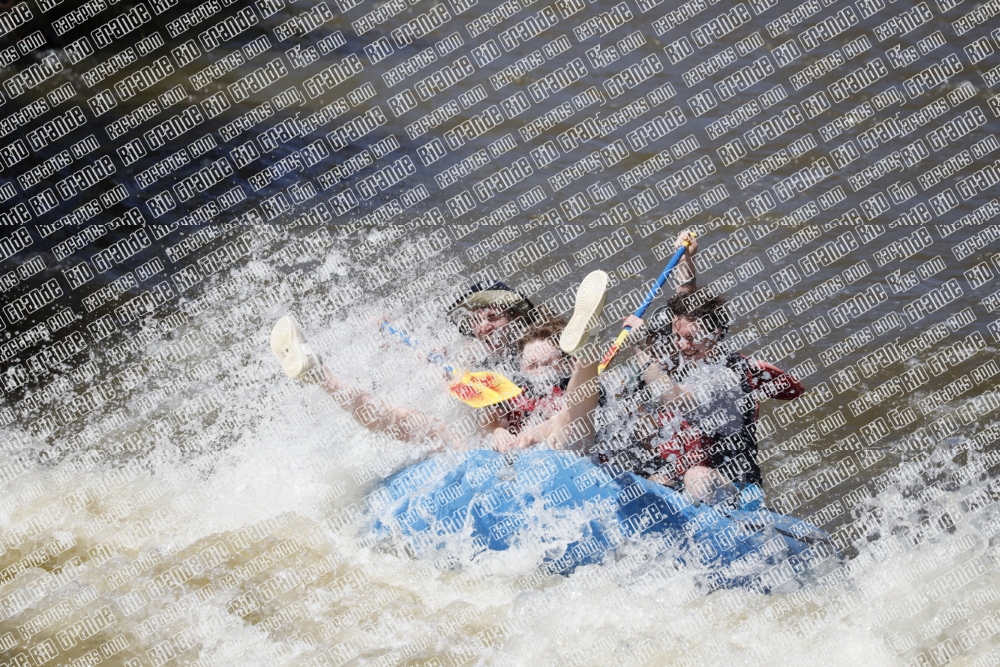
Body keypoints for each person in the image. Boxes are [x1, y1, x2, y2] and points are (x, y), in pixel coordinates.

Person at [269, 271, 608, 455]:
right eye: (477, 320)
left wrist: (534, 432)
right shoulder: (482, 365)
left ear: (518, 317)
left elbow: (569, 417)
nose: (482, 327)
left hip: (561, 446)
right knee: (421, 423)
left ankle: (588, 347)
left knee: (563, 426)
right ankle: (321, 374)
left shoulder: (541, 344)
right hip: (503, 450)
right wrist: (499, 433)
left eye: (492, 317)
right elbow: (489, 416)